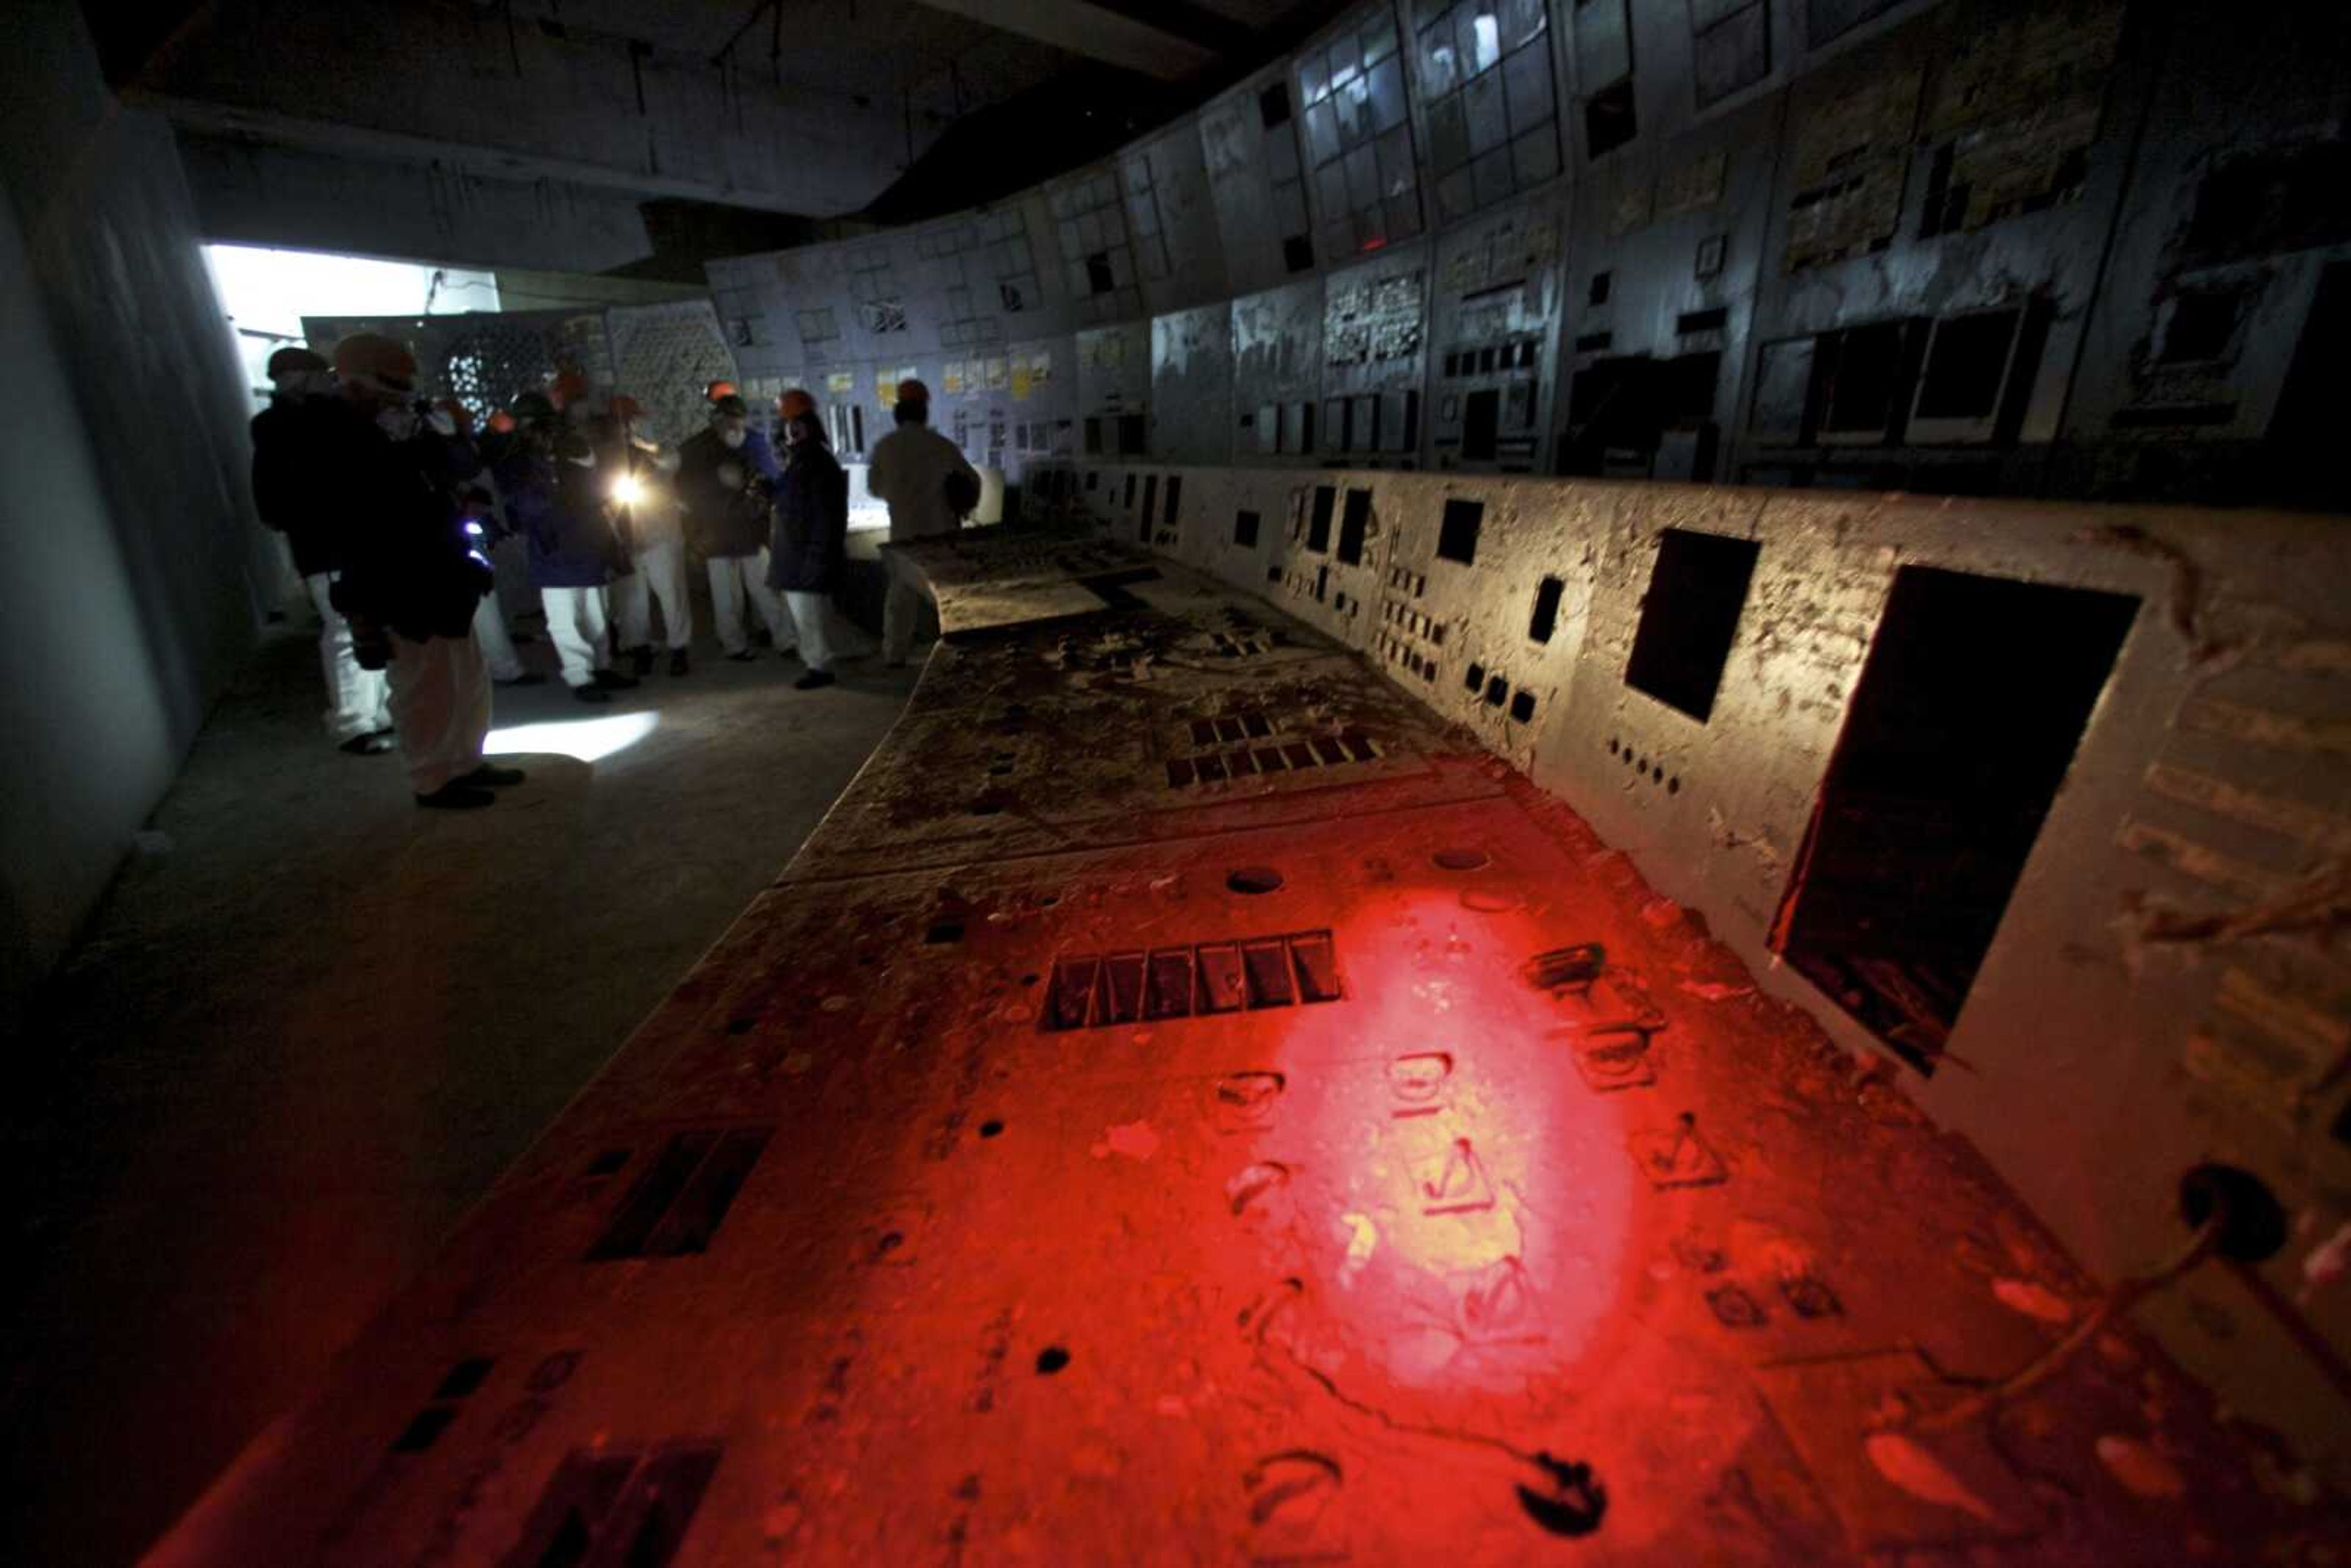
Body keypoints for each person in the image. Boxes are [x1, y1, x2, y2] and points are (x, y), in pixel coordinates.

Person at [323, 333, 519, 809]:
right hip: (398, 575)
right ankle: (432, 777)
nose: (402, 392)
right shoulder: (339, 432)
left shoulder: (411, 425)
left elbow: (457, 470)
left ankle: (467, 759)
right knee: (422, 681)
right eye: (391, 383)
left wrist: (441, 438)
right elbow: (357, 508)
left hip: (444, 566)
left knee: (466, 674)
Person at [251, 344, 397, 754]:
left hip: (342, 539)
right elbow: (279, 489)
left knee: (365, 626)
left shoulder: (298, 420)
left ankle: (377, 712)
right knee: (345, 631)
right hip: (326, 543)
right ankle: (352, 722)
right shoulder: (282, 424)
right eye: (317, 375)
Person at [497, 400, 639, 705]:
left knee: (596, 615)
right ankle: (581, 676)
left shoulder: (569, 448)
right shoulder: (523, 460)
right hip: (554, 547)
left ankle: (600, 668)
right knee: (566, 621)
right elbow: (525, 502)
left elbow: (596, 484)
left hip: (583, 540)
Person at [413, 398, 542, 689]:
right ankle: (501, 667)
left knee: (484, 592)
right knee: (482, 595)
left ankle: (493, 665)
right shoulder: (434, 445)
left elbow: (470, 470)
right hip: (456, 529)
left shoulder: (448, 444)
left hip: (461, 527)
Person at [866, 377, 978, 667]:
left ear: (898, 412)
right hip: (941, 534)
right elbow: (971, 482)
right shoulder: (941, 445)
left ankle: (894, 654)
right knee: (947, 597)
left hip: (903, 535)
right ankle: (960, 649)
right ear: (924, 412)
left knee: (900, 598)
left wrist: (900, 494)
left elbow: (874, 488)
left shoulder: (885, 447)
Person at [677, 392, 794, 662]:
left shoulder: (751, 443)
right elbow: (684, 487)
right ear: (717, 419)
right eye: (729, 420)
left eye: (737, 420)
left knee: (764, 589)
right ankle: (737, 644)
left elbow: (769, 480)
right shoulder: (698, 448)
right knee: (727, 595)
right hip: (717, 532)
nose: (733, 426)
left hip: (745, 528)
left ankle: (783, 639)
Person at [600, 397, 692, 677]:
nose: (626, 427)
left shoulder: (655, 450)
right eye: (621, 421)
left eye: (630, 420)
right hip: (626, 540)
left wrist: (643, 444)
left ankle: (679, 649)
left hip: (660, 535)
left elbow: (671, 460)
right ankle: (640, 649)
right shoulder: (607, 454)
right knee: (631, 601)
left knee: (671, 594)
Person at [768, 399, 852, 691]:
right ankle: (817, 661)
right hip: (798, 554)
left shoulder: (814, 463)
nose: (791, 430)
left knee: (809, 617)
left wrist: (817, 557)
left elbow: (825, 516)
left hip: (804, 555)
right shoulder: (803, 461)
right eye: (789, 425)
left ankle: (819, 667)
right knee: (807, 615)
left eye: (796, 424)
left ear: (808, 427)